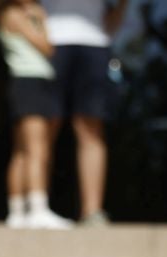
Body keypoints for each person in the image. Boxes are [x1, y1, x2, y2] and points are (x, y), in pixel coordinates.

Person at [41, 0, 126, 226]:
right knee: (45, 127)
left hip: (95, 43)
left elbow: (111, 21)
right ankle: (36, 206)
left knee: (91, 128)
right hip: (49, 40)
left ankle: (92, 211)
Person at [0, 0, 73, 230]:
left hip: (30, 83)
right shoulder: (14, 14)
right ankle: (37, 209)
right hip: (30, 82)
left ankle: (18, 212)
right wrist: (40, 19)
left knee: (22, 151)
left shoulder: (13, 13)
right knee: (36, 149)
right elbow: (46, 46)